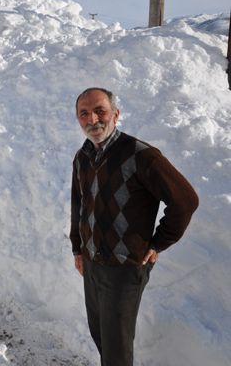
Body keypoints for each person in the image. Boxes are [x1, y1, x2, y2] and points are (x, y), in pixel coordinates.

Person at [69, 87, 199, 366]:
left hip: (125, 267)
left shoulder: (141, 155)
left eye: (100, 111)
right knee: (101, 336)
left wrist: (158, 243)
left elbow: (185, 200)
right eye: (84, 114)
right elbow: (78, 205)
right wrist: (78, 249)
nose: (93, 119)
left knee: (116, 348)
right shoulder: (83, 157)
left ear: (116, 114)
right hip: (93, 263)